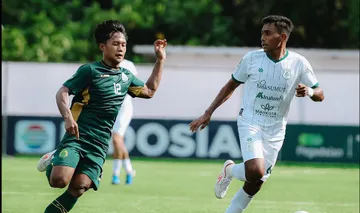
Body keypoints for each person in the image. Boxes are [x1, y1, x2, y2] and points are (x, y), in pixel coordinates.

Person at [189, 15, 324, 213]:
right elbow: (230, 86)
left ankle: (231, 190)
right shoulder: (251, 59)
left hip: (276, 128)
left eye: (268, 33)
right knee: (255, 170)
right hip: (250, 121)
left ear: (282, 37)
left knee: (256, 181)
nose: (262, 37)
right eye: (262, 32)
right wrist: (208, 112)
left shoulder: (299, 63)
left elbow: (320, 94)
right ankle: (232, 170)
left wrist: (310, 92)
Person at [36, 20, 167, 213]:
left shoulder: (126, 77)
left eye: (123, 44)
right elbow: (62, 92)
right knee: (59, 181)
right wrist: (68, 118)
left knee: (79, 187)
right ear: (102, 46)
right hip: (78, 138)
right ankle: (56, 158)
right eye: (115, 44)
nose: (121, 48)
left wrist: (160, 60)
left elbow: (149, 91)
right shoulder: (89, 71)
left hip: (99, 145)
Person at [111, 59, 137, 185]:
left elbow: (134, 85)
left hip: (124, 107)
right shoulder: (105, 64)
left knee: (116, 138)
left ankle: (117, 173)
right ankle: (128, 171)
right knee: (117, 142)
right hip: (112, 107)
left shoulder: (128, 65)